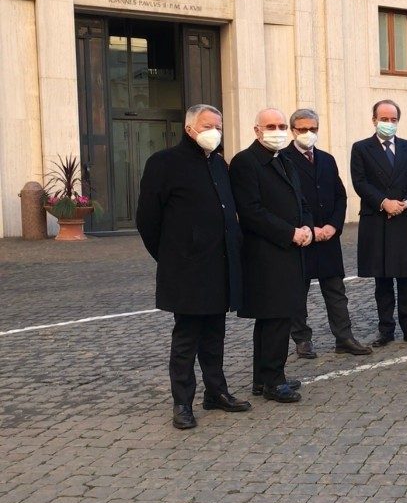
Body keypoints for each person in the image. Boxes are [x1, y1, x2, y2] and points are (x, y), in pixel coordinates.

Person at [136, 103, 251, 430]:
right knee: (186, 338)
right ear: (189, 128)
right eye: (207, 125)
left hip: (220, 265)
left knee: (215, 333)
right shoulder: (164, 163)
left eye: (218, 126)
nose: (214, 131)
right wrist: (171, 256)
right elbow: (147, 219)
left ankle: (216, 392)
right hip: (186, 268)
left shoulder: (219, 163)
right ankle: (182, 403)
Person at [229, 108, 313, 403]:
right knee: (274, 318)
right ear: (257, 130)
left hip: (289, 251)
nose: (277, 131)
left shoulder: (285, 159)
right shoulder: (245, 162)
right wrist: (289, 233)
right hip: (266, 254)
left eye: (281, 125)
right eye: (270, 126)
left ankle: (264, 377)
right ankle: (273, 381)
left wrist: (307, 227)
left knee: (277, 317)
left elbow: (301, 201)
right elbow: (250, 211)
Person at [280, 109, 371, 358]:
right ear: (293, 130)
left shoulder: (327, 159)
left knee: (336, 291)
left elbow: (340, 196)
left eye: (313, 129)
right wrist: (310, 228)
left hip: (328, 238)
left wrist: (334, 225)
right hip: (302, 237)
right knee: (298, 292)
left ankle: (344, 337)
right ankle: (302, 339)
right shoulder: (283, 159)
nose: (308, 133)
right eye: (302, 129)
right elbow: (287, 201)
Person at [350, 100, 407, 348]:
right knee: (382, 279)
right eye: (384, 119)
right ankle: (385, 329)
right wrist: (384, 202)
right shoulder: (361, 148)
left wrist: (406, 202)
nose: (389, 123)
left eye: (393, 120)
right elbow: (360, 182)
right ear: (374, 120)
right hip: (377, 219)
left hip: (405, 217)